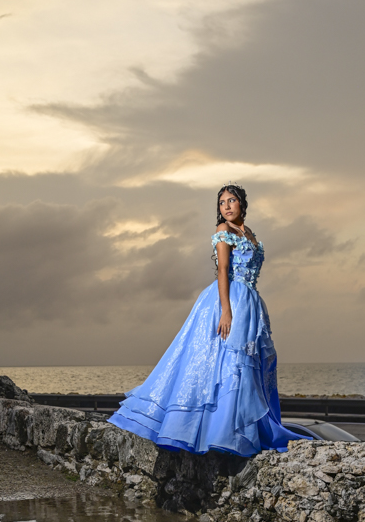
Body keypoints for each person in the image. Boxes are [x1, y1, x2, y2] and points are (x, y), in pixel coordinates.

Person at [108, 184, 299, 456]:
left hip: (250, 301)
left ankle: (245, 431)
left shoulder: (251, 234)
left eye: (232, 200)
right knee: (228, 362)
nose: (227, 206)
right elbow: (222, 270)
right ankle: (222, 434)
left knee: (246, 364)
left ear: (242, 204)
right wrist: (226, 310)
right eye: (222, 203)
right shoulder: (223, 231)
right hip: (228, 299)